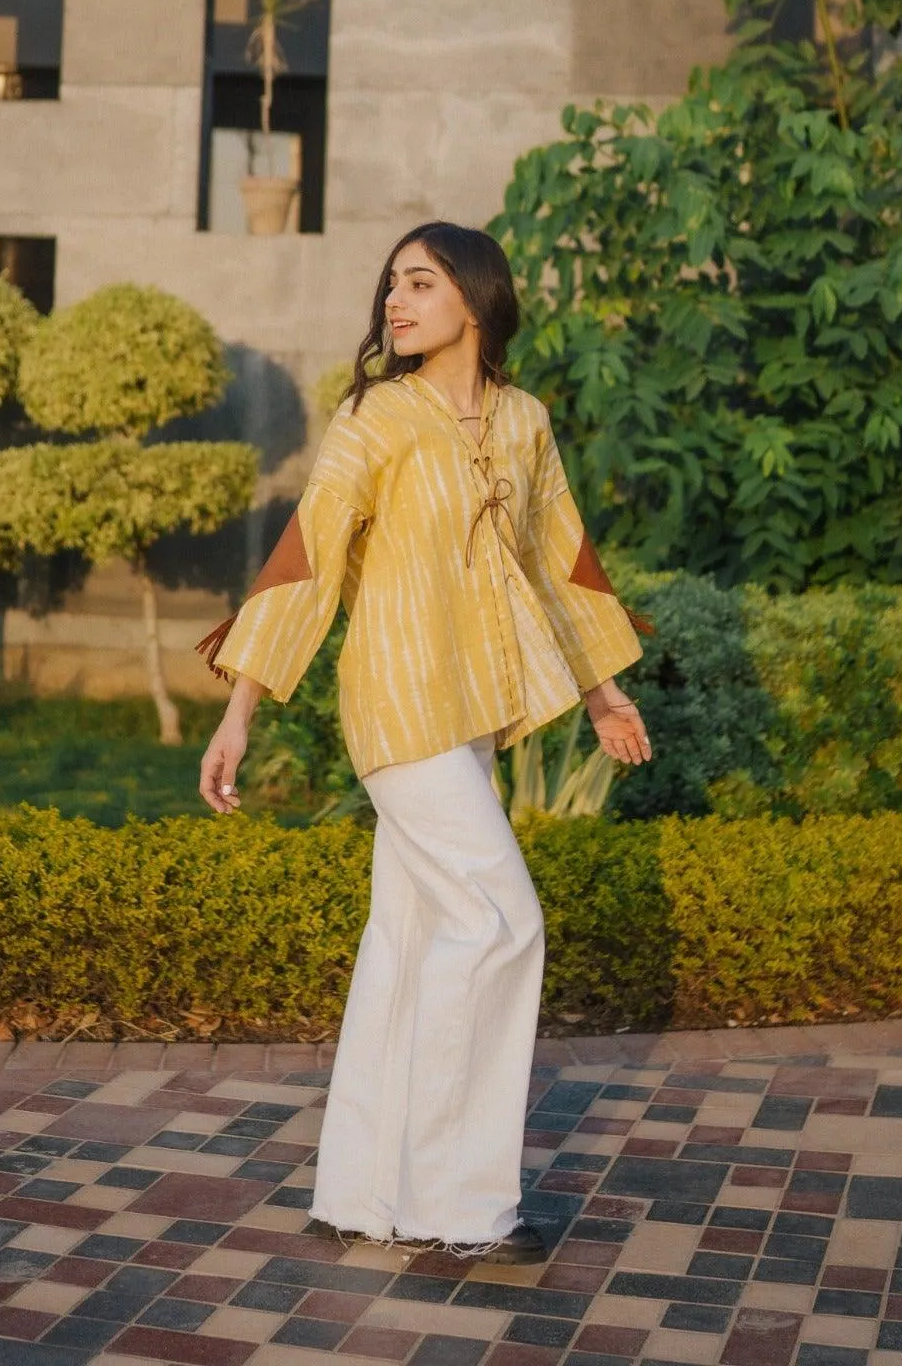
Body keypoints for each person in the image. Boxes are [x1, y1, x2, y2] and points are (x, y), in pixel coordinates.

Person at [197, 221, 653, 1265]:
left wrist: (602, 693)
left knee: (409, 939)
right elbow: (305, 560)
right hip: (398, 709)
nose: (394, 303)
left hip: (473, 710)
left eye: (419, 282)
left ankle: (363, 1191)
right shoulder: (375, 419)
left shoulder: (524, 421)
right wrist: (240, 707)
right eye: (390, 287)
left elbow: (561, 561)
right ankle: (463, 1203)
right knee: (498, 922)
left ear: (475, 299)